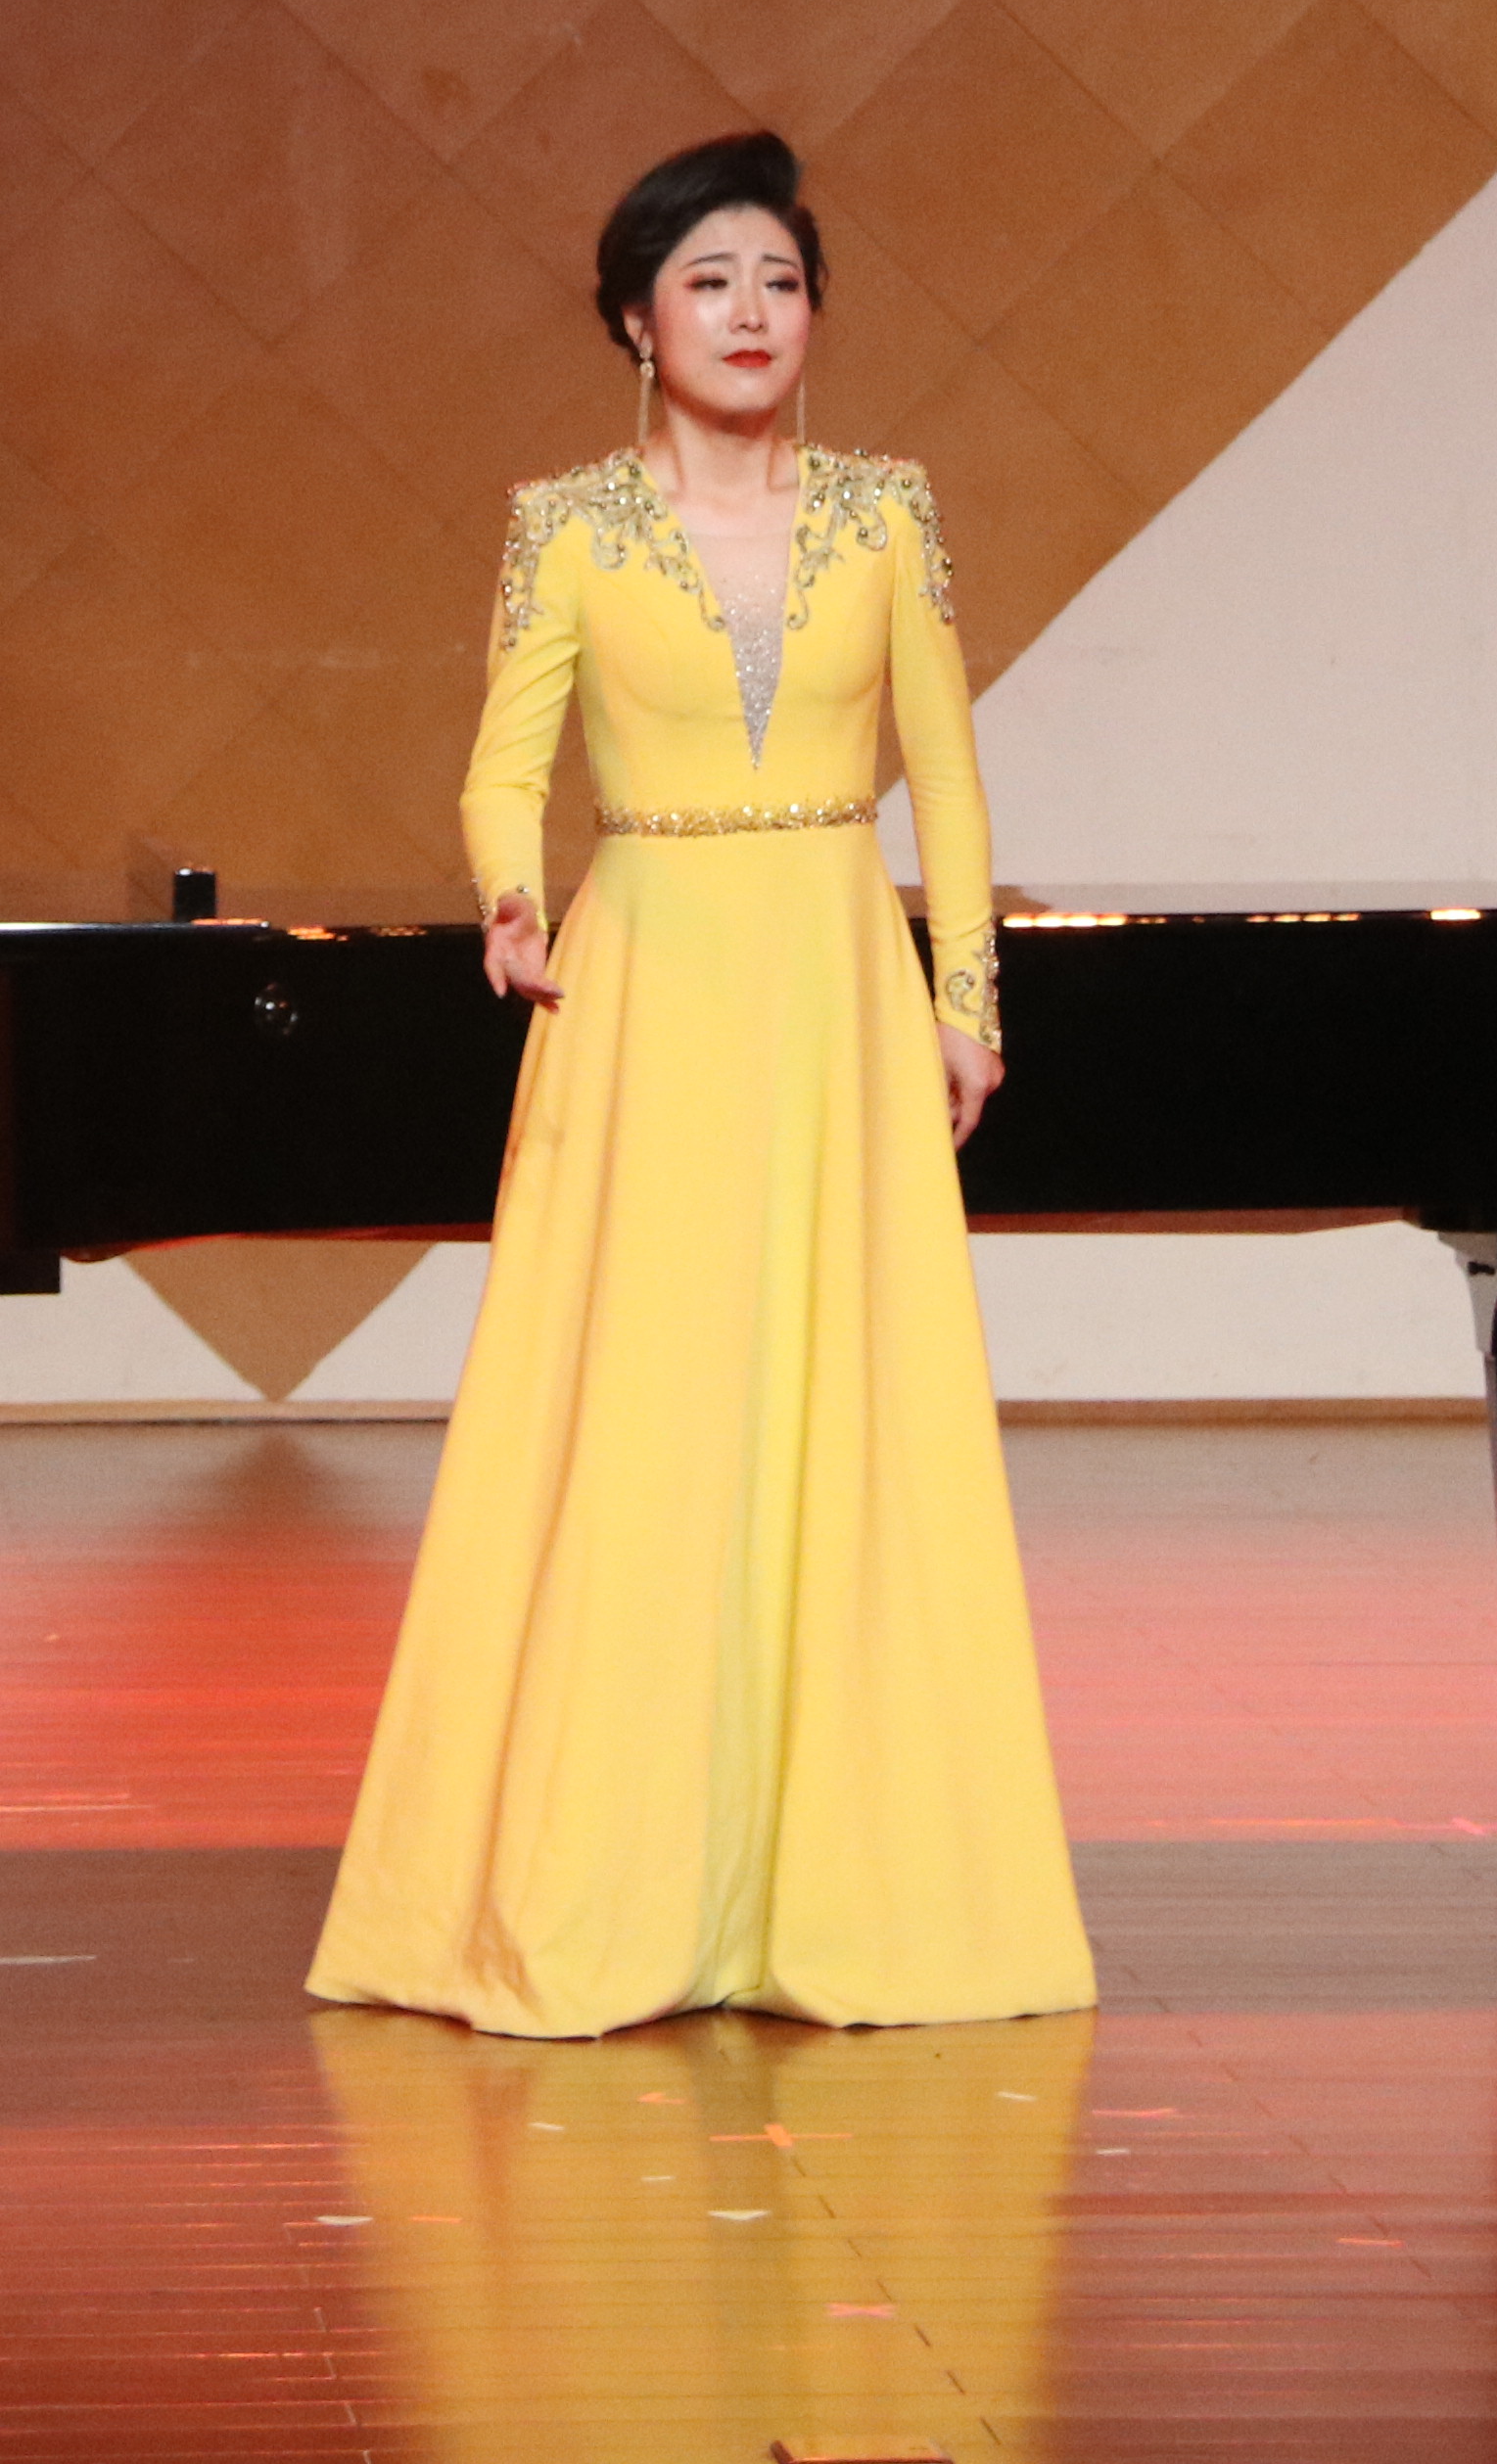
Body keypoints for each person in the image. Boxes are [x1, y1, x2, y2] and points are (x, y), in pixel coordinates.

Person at [307, 132, 1096, 2038]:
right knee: (647, 1409)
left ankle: (845, 1893)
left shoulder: (888, 513)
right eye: (709, 281)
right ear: (633, 323)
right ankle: (621, 1885)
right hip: (649, 973)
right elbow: (506, 761)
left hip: (833, 975)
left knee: (842, 1402)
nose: (751, 313)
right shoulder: (567, 524)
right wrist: (508, 895)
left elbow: (947, 774)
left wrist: (965, 993)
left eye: (780, 281)